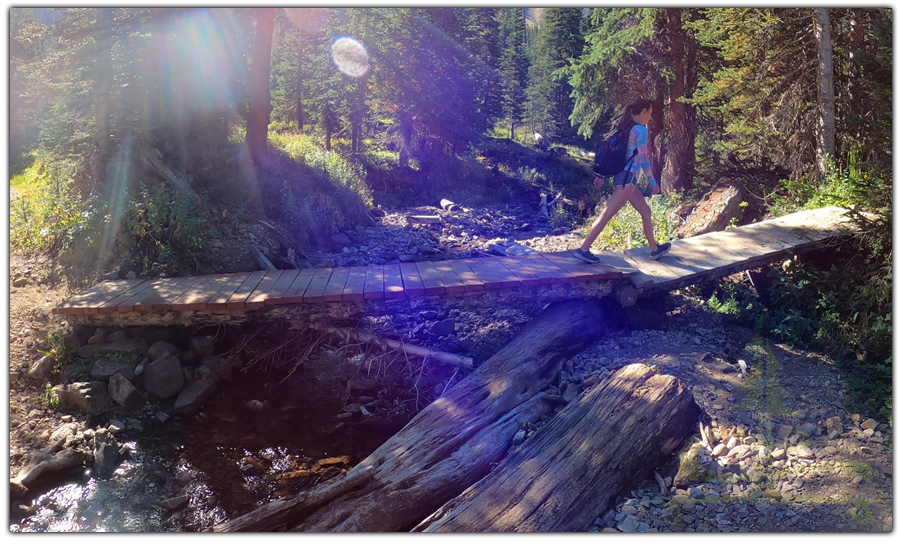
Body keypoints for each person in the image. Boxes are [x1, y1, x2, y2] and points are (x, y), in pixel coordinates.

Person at [573, 99, 671, 263]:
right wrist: (652, 182)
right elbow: (643, 157)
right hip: (627, 180)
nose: (651, 117)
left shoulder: (626, 129)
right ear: (645, 111)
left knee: (646, 211)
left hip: (625, 179)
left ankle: (654, 249)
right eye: (650, 113)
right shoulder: (640, 130)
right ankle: (584, 249)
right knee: (607, 214)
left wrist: (601, 176)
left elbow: (616, 155)